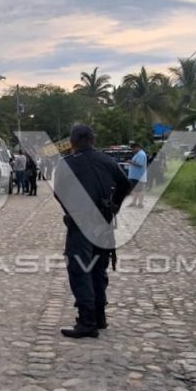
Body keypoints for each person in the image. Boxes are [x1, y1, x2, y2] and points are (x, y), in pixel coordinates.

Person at [54, 125, 131, 338]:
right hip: (104, 223)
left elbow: (58, 192)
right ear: (93, 140)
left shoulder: (66, 164)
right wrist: (114, 206)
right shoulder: (108, 161)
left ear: (73, 142)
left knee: (80, 269)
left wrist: (71, 210)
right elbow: (125, 185)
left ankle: (87, 321)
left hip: (81, 223)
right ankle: (100, 316)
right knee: (98, 269)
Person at [127, 142, 148, 207]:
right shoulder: (138, 154)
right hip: (135, 176)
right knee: (136, 190)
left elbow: (140, 164)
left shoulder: (141, 154)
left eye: (133, 149)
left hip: (139, 176)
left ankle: (140, 203)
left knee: (140, 190)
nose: (132, 150)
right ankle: (134, 202)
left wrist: (131, 162)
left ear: (137, 147)